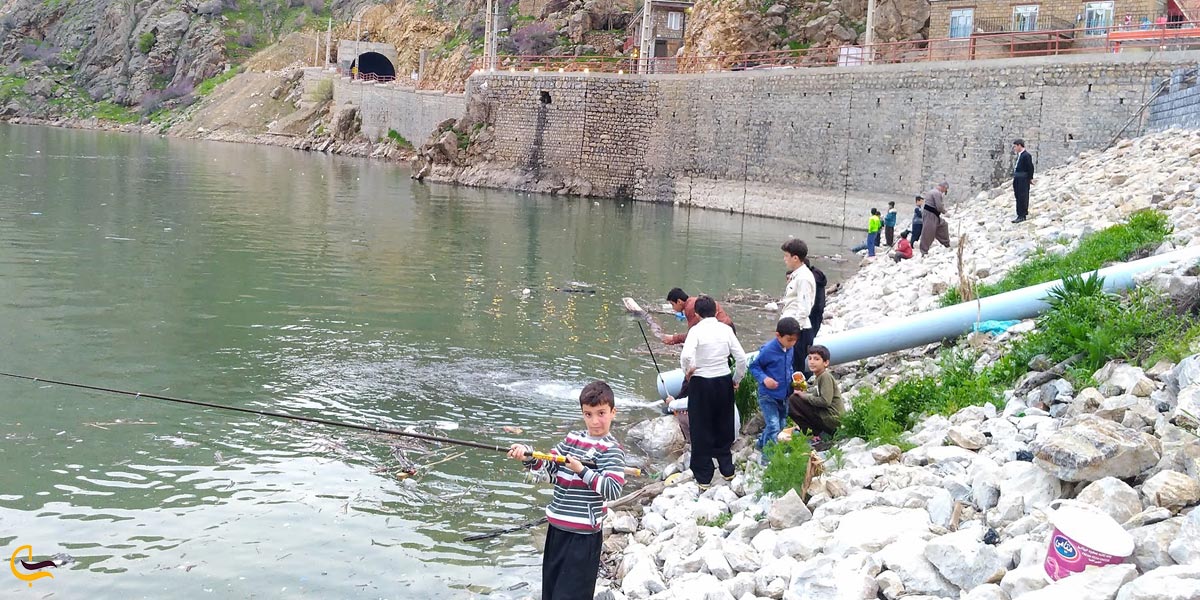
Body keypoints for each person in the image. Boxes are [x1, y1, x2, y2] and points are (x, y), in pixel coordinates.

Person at [507, 381, 626, 600]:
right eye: (588, 414)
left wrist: (581, 470)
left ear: (613, 412)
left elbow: (612, 489)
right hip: (557, 529)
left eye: (601, 413)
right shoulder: (572, 440)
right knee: (551, 593)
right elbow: (551, 468)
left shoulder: (612, 450)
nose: (595, 421)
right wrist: (528, 457)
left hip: (583, 537)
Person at [680, 296, 748, 489]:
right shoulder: (726, 329)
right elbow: (741, 358)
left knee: (701, 426)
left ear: (697, 314)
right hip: (723, 381)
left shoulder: (696, 331)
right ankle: (727, 468)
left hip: (701, 382)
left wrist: (689, 371)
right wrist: (736, 379)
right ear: (715, 310)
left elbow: (686, 356)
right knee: (723, 422)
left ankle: (704, 476)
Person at [749, 317, 800, 453]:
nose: (792, 343)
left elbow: (788, 367)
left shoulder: (790, 349)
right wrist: (765, 379)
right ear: (778, 335)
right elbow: (754, 366)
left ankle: (760, 444)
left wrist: (794, 381)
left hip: (784, 395)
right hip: (768, 395)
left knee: (781, 424)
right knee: (773, 425)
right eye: (789, 340)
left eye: (795, 340)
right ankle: (768, 456)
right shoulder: (768, 350)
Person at [787, 345, 844, 449]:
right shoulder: (818, 377)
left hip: (832, 419)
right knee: (796, 399)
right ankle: (815, 432)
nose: (812, 362)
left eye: (816, 359)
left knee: (793, 400)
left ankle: (815, 433)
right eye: (810, 358)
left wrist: (804, 396)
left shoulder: (825, 376)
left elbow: (825, 401)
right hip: (827, 417)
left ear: (826, 363)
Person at [779, 239, 816, 377]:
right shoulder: (797, 276)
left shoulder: (804, 278)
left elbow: (804, 308)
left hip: (797, 331)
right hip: (792, 329)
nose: (784, 259)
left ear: (795, 258)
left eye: (786, 256)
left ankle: (793, 397)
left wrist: (792, 333)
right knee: (786, 367)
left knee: (793, 369)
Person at [660, 288, 735, 345]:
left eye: (672, 304)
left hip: (721, 333)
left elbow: (692, 336)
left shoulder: (690, 307)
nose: (673, 308)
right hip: (728, 327)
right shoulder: (693, 301)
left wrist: (674, 338)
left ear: (679, 301)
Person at [919, 181, 951, 255]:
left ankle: (946, 244)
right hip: (930, 214)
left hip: (934, 215)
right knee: (928, 232)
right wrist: (945, 212)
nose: (944, 192)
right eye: (945, 190)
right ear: (943, 187)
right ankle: (924, 251)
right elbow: (939, 206)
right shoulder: (937, 193)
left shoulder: (933, 192)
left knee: (943, 225)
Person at [1011, 139, 1035, 223]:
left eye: (1015, 146)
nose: (1014, 148)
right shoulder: (1020, 155)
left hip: (1023, 178)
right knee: (1018, 195)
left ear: (1019, 145)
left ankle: (1022, 215)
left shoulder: (1026, 155)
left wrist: (1030, 178)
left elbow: (1030, 167)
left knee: (1022, 196)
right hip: (1018, 177)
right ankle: (1019, 214)